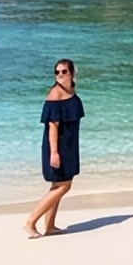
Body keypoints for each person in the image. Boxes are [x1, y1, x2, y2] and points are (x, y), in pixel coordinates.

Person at [24, 59, 84, 239]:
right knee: (65, 185)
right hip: (57, 147)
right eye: (57, 72)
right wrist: (55, 153)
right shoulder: (54, 95)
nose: (60, 75)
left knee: (58, 184)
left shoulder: (71, 91)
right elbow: (53, 127)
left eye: (64, 72)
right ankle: (31, 221)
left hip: (69, 145)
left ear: (73, 73)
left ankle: (49, 226)